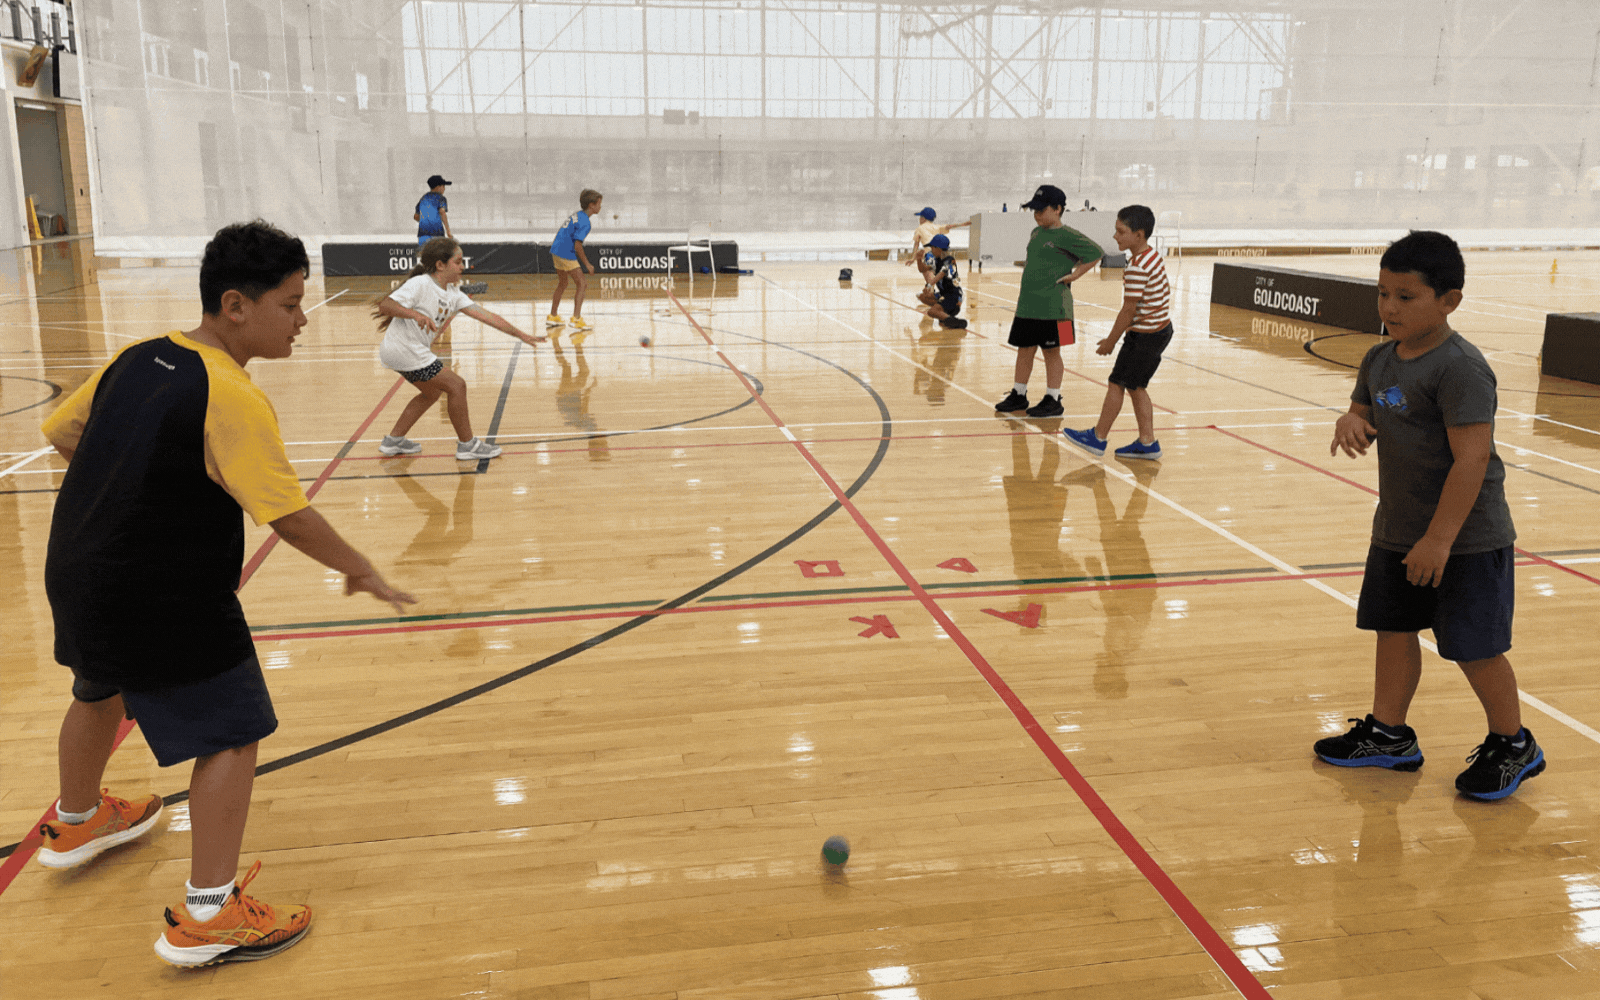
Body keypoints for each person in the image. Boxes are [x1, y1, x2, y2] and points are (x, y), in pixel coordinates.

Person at [35, 220, 417, 967]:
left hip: (79, 569)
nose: (302, 320)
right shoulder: (231, 395)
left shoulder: (137, 356)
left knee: (99, 687)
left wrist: (147, 481)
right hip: (162, 593)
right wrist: (360, 567)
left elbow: (62, 431)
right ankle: (210, 912)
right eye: (291, 304)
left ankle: (77, 819)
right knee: (232, 730)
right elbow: (290, 516)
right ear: (235, 306)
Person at [1315, 230, 1543, 802]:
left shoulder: (1461, 369)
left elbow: (1472, 461)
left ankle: (1513, 742)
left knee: (1473, 646)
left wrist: (1440, 540)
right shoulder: (1378, 357)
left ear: (1449, 300)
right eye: (1383, 294)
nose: (1389, 307)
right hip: (1397, 529)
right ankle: (1389, 735)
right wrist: (1350, 420)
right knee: (1392, 629)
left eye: (1406, 296)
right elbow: (1363, 407)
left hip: (1465, 541)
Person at [374, 236, 545, 460]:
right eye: (458, 262)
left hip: (401, 351)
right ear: (440, 265)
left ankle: (393, 441)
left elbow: (488, 317)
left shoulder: (454, 294)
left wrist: (521, 334)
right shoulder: (421, 284)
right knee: (457, 385)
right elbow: (385, 305)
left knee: (431, 393)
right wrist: (416, 314)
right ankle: (468, 445)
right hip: (405, 349)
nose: (462, 267)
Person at [1062, 204, 1172, 460]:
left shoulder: (1137, 267)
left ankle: (1098, 438)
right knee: (1136, 386)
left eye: (1120, 231)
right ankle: (1147, 442)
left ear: (1139, 235)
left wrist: (1111, 341)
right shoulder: (1152, 256)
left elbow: (1128, 310)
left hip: (1145, 336)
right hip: (1160, 331)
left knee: (1117, 383)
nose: (1115, 236)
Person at [993, 184, 1104, 419]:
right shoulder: (1036, 233)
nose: (1037, 214)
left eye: (1041, 210)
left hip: (1056, 309)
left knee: (1052, 352)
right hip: (1028, 305)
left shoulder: (1067, 235)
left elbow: (1096, 252)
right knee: (1024, 350)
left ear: (1058, 209)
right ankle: (1018, 394)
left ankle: (1053, 398)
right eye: (1034, 210)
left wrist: (1075, 275)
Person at [547, 189, 602, 332]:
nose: (600, 207)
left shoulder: (578, 215)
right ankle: (576, 319)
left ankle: (553, 316)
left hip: (556, 249)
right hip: (566, 252)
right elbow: (577, 245)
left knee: (563, 283)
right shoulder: (586, 223)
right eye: (599, 204)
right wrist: (588, 264)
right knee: (582, 284)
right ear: (591, 205)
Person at [915, 234, 967, 329]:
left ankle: (955, 321)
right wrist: (919, 259)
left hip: (953, 296)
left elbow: (942, 273)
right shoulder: (938, 260)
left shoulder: (949, 260)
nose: (931, 249)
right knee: (923, 297)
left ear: (938, 248)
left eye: (932, 247)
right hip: (944, 294)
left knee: (931, 312)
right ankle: (944, 315)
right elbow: (923, 269)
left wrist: (930, 284)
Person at [906, 207, 970, 284]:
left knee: (930, 274)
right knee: (945, 267)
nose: (919, 219)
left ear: (924, 218)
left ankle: (930, 290)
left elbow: (916, 245)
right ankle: (953, 278)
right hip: (941, 252)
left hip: (929, 253)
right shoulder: (937, 227)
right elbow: (949, 226)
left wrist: (913, 258)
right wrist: (963, 224)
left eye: (920, 217)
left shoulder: (919, 229)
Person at [414, 174, 452, 248]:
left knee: (425, 257)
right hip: (437, 234)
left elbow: (416, 216)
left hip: (422, 235)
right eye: (443, 186)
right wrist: (448, 231)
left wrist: (426, 220)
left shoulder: (423, 198)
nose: (444, 188)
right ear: (438, 187)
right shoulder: (441, 198)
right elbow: (442, 212)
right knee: (437, 257)